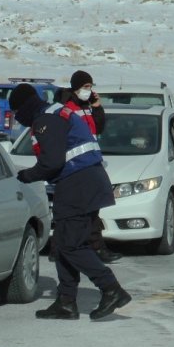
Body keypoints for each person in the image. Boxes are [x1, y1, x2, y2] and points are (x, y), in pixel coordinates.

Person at [10, 83, 131, 320]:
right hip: (84, 182)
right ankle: (66, 302)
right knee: (65, 244)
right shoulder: (55, 113)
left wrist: (26, 176)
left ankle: (111, 289)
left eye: (16, 111)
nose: (17, 117)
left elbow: (52, 163)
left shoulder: (45, 121)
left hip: (78, 185)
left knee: (70, 245)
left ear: (24, 107)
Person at [51, 71, 122, 264]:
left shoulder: (86, 106)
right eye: (86, 87)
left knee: (91, 209)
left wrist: (97, 107)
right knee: (72, 211)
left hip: (90, 163)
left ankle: (95, 247)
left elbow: (97, 128)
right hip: (74, 165)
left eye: (90, 87)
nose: (88, 90)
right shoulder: (68, 108)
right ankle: (62, 248)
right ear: (76, 87)